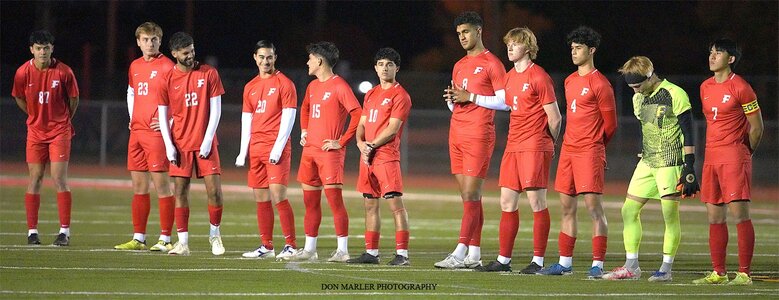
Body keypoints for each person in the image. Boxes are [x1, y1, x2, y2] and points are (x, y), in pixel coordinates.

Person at [602, 56, 698, 282]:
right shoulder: (638, 97)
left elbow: (688, 129)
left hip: (670, 162)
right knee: (628, 211)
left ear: (650, 76)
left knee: (669, 215)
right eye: (631, 86)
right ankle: (631, 266)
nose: (635, 90)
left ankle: (666, 269)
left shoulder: (675, 93)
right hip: (647, 162)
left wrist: (690, 164)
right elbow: (651, 127)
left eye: (637, 85)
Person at [475, 27, 561, 273]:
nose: (510, 47)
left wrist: (548, 144)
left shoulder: (539, 77)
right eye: (508, 43)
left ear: (528, 47)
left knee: (536, 201)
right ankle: (504, 260)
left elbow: (555, 118)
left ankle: (538, 261)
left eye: (515, 43)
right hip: (513, 145)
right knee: (506, 201)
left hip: (534, 145)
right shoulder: (509, 77)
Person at [538, 26, 616, 277]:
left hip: (589, 152)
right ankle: (565, 263)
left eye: (579, 48)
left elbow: (611, 125)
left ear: (591, 50)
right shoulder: (570, 81)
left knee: (594, 209)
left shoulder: (601, 84)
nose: (574, 52)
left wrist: (596, 148)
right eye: (572, 48)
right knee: (566, 208)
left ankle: (597, 264)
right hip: (568, 152)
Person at [434, 11, 508, 270]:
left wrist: (471, 97)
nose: (462, 37)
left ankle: (460, 250)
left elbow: (505, 101)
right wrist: (452, 102)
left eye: (466, 32)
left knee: (471, 193)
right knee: (469, 198)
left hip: (479, 133)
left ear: (479, 31)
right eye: (459, 34)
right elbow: (460, 101)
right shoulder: (458, 64)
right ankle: (474, 254)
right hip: (457, 132)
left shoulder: (493, 64)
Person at [692, 38, 763, 286]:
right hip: (711, 157)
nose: (712, 57)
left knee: (740, 216)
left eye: (718, 53)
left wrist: (745, 153)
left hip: (734, 157)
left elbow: (757, 127)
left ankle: (744, 273)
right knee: (714, 217)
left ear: (730, 59)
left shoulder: (741, 87)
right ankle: (718, 272)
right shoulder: (705, 86)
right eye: (710, 52)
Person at [290, 41, 362, 262]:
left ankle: (342, 250)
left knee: (334, 201)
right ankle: (310, 249)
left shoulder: (339, 86)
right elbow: (305, 109)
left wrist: (341, 142)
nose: (307, 62)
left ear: (319, 61)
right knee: (310, 202)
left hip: (329, 154)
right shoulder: (312, 87)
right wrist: (304, 131)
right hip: (310, 151)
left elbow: (358, 114)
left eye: (310, 58)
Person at [157, 32, 225, 256]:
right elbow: (163, 114)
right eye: (185, 53)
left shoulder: (209, 73)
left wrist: (207, 140)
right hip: (180, 144)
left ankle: (215, 235)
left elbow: (216, 110)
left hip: (205, 143)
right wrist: (168, 145)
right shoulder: (167, 79)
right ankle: (183, 242)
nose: (190, 56)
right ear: (174, 54)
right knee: (180, 191)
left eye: (192, 51)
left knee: (214, 191)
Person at [346, 48, 412, 266]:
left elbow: (393, 129)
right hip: (368, 157)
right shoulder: (371, 94)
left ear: (397, 68)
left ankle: (402, 255)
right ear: (375, 68)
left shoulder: (400, 95)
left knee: (396, 205)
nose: (385, 68)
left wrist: (371, 145)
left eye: (390, 64)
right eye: (381, 64)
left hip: (386, 156)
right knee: (370, 205)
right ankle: (371, 253)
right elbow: (362, 123)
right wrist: (360, 143)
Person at [12, 30, 79, 246]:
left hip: (59, 131)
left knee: (59, 178)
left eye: (47, 48)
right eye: (39, 48)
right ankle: (32, 232)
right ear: (32, 50)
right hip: (35, 132)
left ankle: (64, 232)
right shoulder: (23, 72)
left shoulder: (64, 72)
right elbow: (19, 97)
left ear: (52, 49)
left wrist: (63, 120)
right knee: (35, 178)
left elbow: (74, 99)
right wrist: (34, 115)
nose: (43, 52)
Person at [114, 22, 176, 252]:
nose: (150, 44)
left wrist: (168, 122)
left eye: (154, 40)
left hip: (157, 134)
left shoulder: (168, 66)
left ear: (160, 41)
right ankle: (138, 237)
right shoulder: (135, 66)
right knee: (139, 187)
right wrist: (132, 117)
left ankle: (166, 238)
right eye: (145, 40)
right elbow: (131, 92)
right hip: (137, 132)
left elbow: (178, 97)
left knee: (162, 186)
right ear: (138, 42)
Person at [235, 40, 298, 260]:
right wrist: (243, 151)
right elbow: (246, 119)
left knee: (278, 196)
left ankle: (290, 245)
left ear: (275, 57)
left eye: (269, 57)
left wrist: (277, 148)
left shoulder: (284, 83)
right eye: (261, 57)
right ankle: (267, 246)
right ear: (255, 57)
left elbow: (289, 118)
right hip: (257, 148)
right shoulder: (250, 86)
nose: (265, 61)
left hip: (275, 148)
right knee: (261, 198)